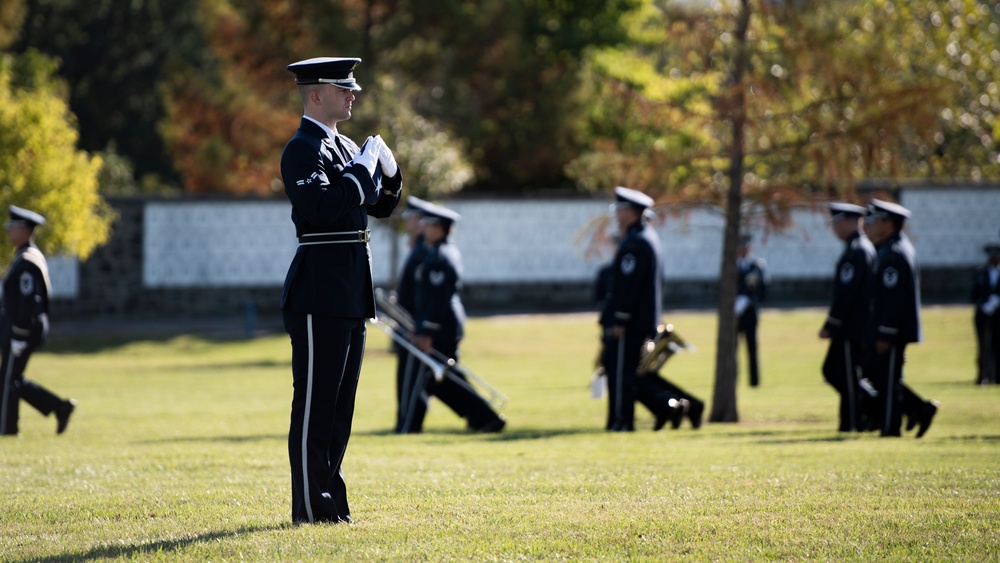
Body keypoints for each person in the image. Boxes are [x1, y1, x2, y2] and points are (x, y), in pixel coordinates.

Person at [280, 57, 402, 524]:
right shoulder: (301, 150)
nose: (352, 94)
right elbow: (324, 207)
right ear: (316, 95)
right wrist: (360, 169)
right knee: (315, 405)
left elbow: (381, 207)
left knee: (340, 409)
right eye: (342, 88)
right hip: (318, 292)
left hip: (350, 289)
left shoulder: (345, 145)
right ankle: (311, 508)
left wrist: (389, 173)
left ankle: (332, 505)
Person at [405, 202, 505, 433]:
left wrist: (426, 331)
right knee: (442, 380)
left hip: (442, 328)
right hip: (443, 326)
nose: (424, 229)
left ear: (439, 228)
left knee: (445, 378)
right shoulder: (438, 252)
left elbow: (438, 300)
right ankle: (484, 418)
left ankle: (487, 418)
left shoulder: (440, 256)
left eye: (428, 225)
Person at [862, 199, 937, 438]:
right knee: (882, 376)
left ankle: (890, 428)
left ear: (888, 223)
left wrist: (886, 332)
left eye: (873, 221)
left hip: (891, 331)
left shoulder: (894, 253)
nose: (867, 226)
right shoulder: (888, 248)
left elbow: (893, 300)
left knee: (888, 379)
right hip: (885, 329)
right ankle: (919, 409)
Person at [0, 206, 75, 436]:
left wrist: (20, 334)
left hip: (21, 332)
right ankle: (58, 407)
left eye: (13, 228)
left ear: (24, 230)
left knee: (6, 383)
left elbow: (28, 301)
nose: (9, 233)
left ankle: (6, 429)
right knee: (11, 380)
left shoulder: (27, 261)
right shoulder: (26, 256)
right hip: (20, 330)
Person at [598, 187, 663, 432]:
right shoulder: (645, 236)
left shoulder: (636, 243)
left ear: (630, 212)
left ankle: (621, 421)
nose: (617, 215)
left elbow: (628, 288)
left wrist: (619, 319)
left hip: (629, 323)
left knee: (620, 374)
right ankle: (623, 419)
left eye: (620, 210)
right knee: (626, 373)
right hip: (639, 320)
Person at [818, 203, 876, 432]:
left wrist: (831, 323)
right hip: (857, 324)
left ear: (846, 222)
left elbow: (846, 293)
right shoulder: (862, 247)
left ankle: (854, 420)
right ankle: (866, 409)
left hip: (851, 326)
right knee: (833, 370)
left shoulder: (856, 250)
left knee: (847, 375)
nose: (834, 229)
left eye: (836, 223)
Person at [735, 234, 768, 387]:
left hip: (749, 314)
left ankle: (754, 382)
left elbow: (763, 292)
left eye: (746, 246)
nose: (744, 249)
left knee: (752, 349)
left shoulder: (756, 266)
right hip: (734, 315)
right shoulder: (731, 266)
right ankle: (732, 380)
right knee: (732, 351)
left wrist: (748, 300)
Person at [971, 241, 1000, 384]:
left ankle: (997, 376)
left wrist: (997, 301)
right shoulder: (980, 273)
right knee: (983, 346)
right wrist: (983, 305)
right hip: (983, 315)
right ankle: (983, 376)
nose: (994, 258)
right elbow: (973, 294)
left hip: (999, 315)